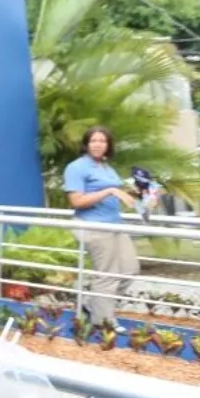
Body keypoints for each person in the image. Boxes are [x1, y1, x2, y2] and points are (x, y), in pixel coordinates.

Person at [63, 126, 140, 332]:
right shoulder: (77, 167)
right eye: (94, 141)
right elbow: (77, 201)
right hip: (93, 227)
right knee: (107, 274)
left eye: (103, 141)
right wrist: (110, 190)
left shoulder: (106, 167)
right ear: (86, 144)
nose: (98, 145)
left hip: (115, 225)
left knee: (130, 270)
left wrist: (144, 193)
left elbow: (119, 194)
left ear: (108, 145)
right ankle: (103, 321)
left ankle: (91, 305)